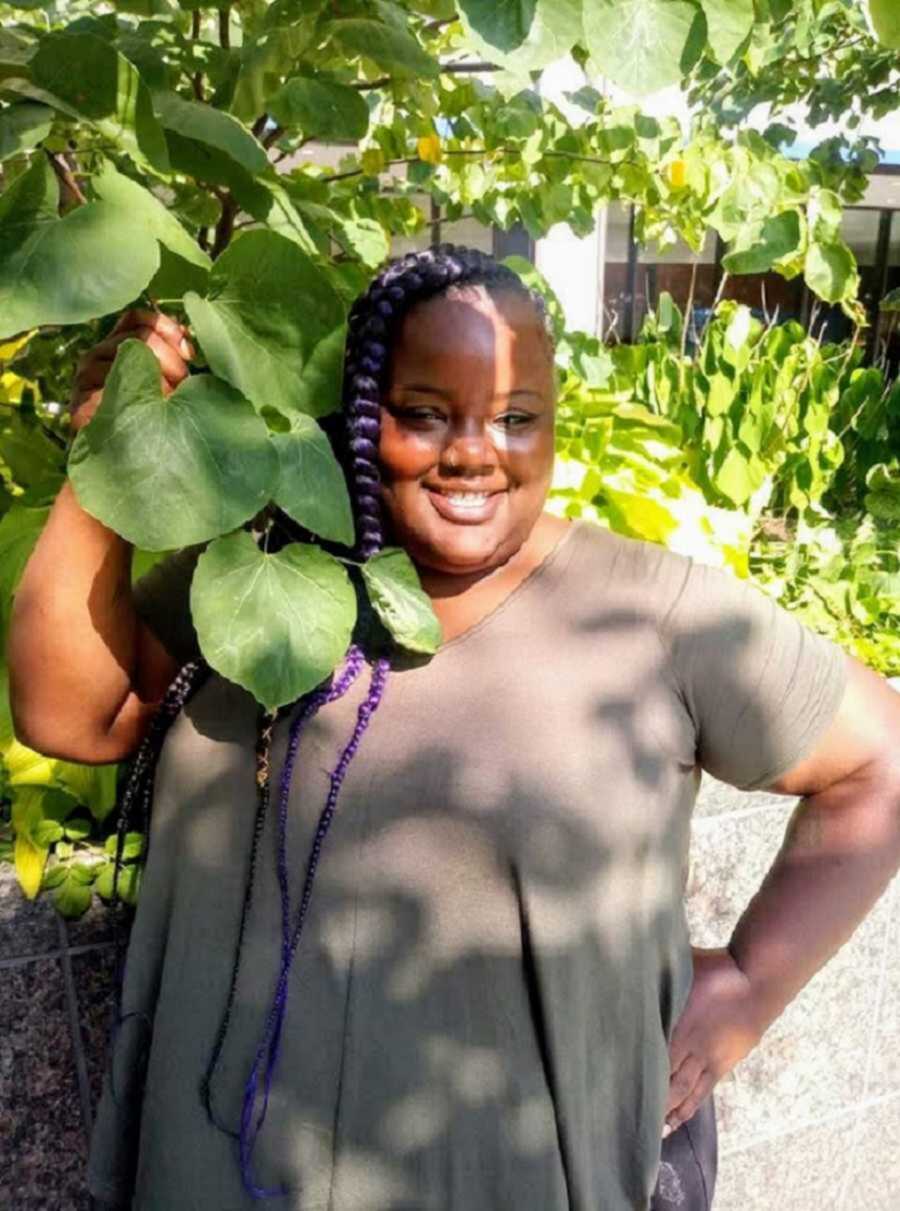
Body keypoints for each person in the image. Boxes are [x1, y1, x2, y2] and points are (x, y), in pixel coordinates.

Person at [8, 246, 900, 1211]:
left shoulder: (652, 615)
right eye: (425, 411)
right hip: (226, 1165)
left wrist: (753, 986)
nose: (477, 450)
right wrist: (113, 448)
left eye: (518, 419)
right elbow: (70, 715)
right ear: (356, 415)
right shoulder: (267, 581)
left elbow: (878, 758)